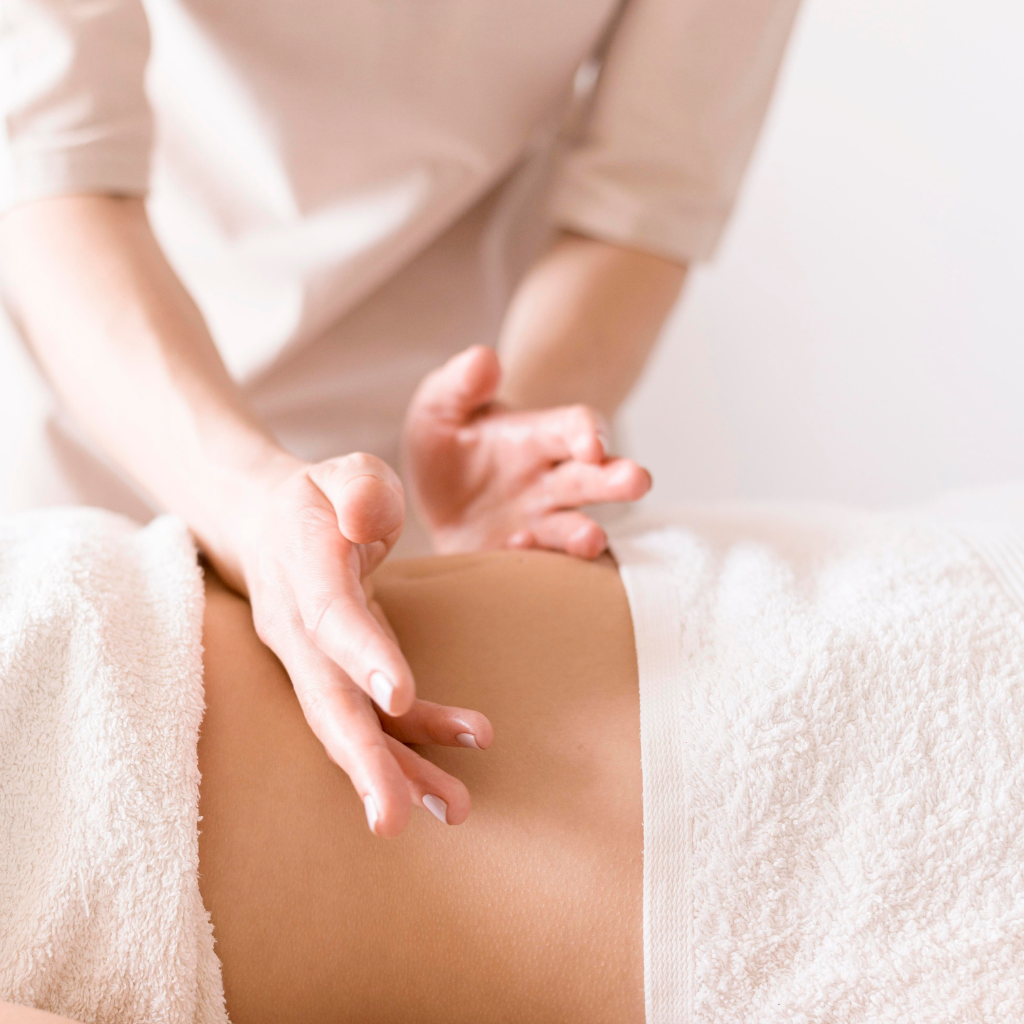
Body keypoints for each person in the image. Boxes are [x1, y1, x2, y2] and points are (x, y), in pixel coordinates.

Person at [0, 0, 803, 830]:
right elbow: (57, 166)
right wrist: (247, 503)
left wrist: (514, 422)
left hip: (478, 465)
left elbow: (640, 201)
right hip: (132, 420)